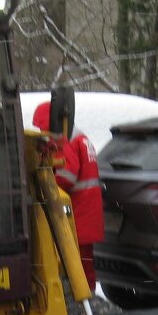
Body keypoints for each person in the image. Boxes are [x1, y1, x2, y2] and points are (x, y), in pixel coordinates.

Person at [31, 100, 104, 290]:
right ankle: (87, 295)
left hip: (78, 212)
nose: (40, 132)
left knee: (77, 263)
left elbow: (67, 176)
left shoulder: (65, 140)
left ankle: (84, 297)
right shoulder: (78, 137)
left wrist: (44, 180)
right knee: (84, 261)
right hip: (87, 210)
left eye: (40, 126)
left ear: (49, 122)